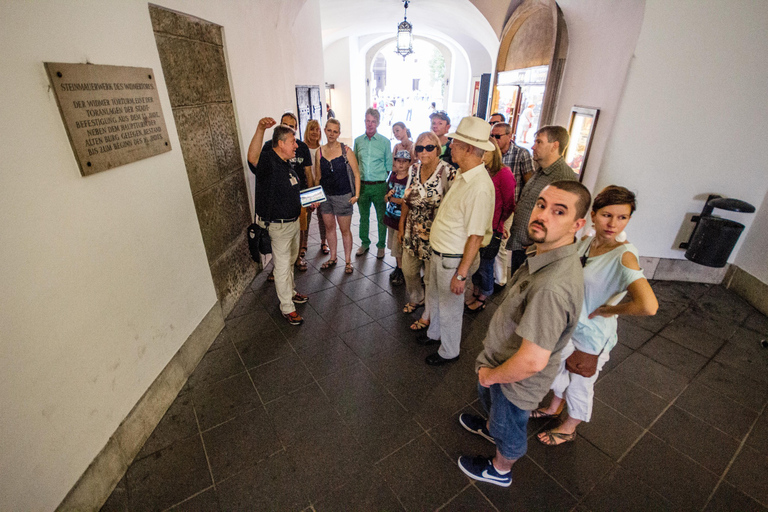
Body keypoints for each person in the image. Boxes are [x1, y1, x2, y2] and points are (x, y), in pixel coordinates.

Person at [457, 180, 591, 487]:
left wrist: (490, 376)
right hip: (502, 363)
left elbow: (531, 362)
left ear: (578, 224)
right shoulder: (544, 254)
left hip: (514, 380)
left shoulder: (553, 286)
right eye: (541, 205)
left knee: (510, 429)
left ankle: (500, 469)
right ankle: (491, 428)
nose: (543, 215)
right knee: (498, 417)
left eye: (559, 211)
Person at [533, 186, 658, 445]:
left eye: (622, 217)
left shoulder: (624, 255)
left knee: (580, 383)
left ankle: (569, 427)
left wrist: (610, 309)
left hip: (591, 334)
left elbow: (648, 305)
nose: (613, 223)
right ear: (593, 214)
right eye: (607, 215)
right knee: (559, 369)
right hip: (569, 325)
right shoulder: (590, 240)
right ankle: (554, 407)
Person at [420, 117, 495, 366]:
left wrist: (461, 275)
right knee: (438, 298)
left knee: (451, 307)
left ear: (470, 149)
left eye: (455, 143)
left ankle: (449, 350)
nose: (450, 146)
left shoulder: (480, 187)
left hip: (453, 259)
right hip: (441, 253)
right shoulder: (465, 175)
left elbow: (475, 236)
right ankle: (435, 334)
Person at [247, 118, 311, 326]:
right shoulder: (268, 162)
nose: (296, 145)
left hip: (292, 223)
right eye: (293, 141)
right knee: (282, 267)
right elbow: (252, 157)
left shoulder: (286, 164)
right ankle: (287, 308)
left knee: (291, 260)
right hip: (278, 225)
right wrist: (260, 129)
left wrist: (309, 201)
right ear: (281, 143)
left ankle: (290, 292)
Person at [398, 132, 456, 333]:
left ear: (438, 149)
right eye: (420, 148)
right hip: (412, 230)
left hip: (435, 234)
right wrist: (401, 224)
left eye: (429, 147)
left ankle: (428, 314)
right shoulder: (413, 169)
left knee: (431, 279)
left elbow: (454, 206)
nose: (424, 151)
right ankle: (417, 297)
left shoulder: (448, 172)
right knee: (409, 270)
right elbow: (407, 198)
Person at [507, 125, 577, 278]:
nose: (533, 146)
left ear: (555, 145)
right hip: (522, 244)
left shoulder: (563, 178)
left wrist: (536, 244)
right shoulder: (540, 170)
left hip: (535, 250)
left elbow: (562, 220)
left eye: (539, 142)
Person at [465, 139, 516, 312]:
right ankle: (476, 290)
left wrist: (501, 223)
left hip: (492, 227)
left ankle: (484, 295)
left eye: (485, 152)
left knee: (486, 264)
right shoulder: (480, 171)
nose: (481, 156)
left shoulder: (504, 173)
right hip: (477, 224)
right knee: (475, 262)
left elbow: (510, 203)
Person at [261, 113, 313, 272]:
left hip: (296, 206)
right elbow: (254, 160)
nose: (288, 128)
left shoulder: (297, 151)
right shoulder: (269, 153)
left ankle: (297, 261)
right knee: (281, 257)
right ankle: (282, 286)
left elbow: (307, 174)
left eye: (292, 126)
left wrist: (310, 196)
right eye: (285, 125)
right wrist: (260, 129)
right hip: (278, 216)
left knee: (296, 241)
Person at [315, 119, 361, 274]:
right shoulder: (319, 152)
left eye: (335, 131)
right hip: (326, 196)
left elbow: (356, 174)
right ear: (325, 130)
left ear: (339, 133)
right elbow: (318, 177)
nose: (332, 134)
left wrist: (357, 195)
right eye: (329, 131)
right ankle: (333, 257)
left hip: (343, 195)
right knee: (329, 228)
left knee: (344, 229)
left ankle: (348, 261)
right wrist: (316, 198)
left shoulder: (346, 150)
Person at [492, 121, 534, 289]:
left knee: (502, 244)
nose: (494, 139)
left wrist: (520, 207)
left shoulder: (521, 154)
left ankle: (500, 280)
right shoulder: (492, 153)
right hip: (495, 207)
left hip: (510, 206)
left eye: (498, 136)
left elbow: (529, 182)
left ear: (510, 136)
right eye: (492, 136)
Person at [354, 108, 393, 259]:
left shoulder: (384, 142)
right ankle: (364, 242)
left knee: (381, 217)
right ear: (364, 121)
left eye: (373, 121)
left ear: (378, 123)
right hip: (362, 185)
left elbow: (389, 166)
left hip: (379, 185)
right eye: (368, 121)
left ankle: (381, 245)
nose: (370, 124)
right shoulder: (358, 141)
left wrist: (385, 185)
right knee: (363, 217)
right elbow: (355, 164)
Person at [384, 150, 411, 285]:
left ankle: (402, 270)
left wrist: (393, 199)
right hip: (391, 216)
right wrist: (389, 196)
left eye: (404, 161)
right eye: (398, 160)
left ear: (409, 163)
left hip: (402, 219)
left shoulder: (410, 180)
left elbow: (407, 201)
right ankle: (398, 267)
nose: (400, 164)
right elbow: (386, 196)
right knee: (394, 246)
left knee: (400, 245)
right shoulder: (392, 177)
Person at [303, 119, 329, 257]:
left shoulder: (322, 150)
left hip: (320, 187)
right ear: (307, 131)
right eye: (312, 129)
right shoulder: (302, 148)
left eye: (317, 129)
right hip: (307, 187)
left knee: (322, 216)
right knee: (306, 218)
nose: (314, 132)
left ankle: (324, 242)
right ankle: (304, 244)